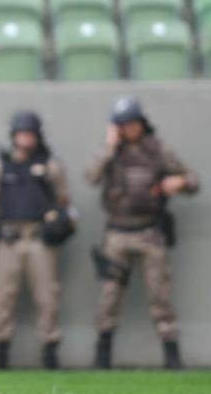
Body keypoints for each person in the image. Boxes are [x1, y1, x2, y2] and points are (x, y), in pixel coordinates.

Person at [85, 96, 200, 370]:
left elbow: (193, 180)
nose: (128, 129)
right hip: (117, 232)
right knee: (109, 296)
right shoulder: (111, 152)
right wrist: (109, 147)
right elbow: (91, 176)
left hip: (150, 231)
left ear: (142, 123)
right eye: (122, 125)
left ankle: (172, 357)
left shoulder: (158, 150)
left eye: (132, 123)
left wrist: (180, 181)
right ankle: (102, 358)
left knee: (160, 295)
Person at [0, 111, 73, 370]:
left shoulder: (50, 165)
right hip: (10, 237)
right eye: (21, 134)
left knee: (47, 296)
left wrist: (52, 220)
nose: (25, 139)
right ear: (13, 136)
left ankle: (49, 350)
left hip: (38, 237)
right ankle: (1, 351)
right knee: (3, 296)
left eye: (30, 134)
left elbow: (63, 200)